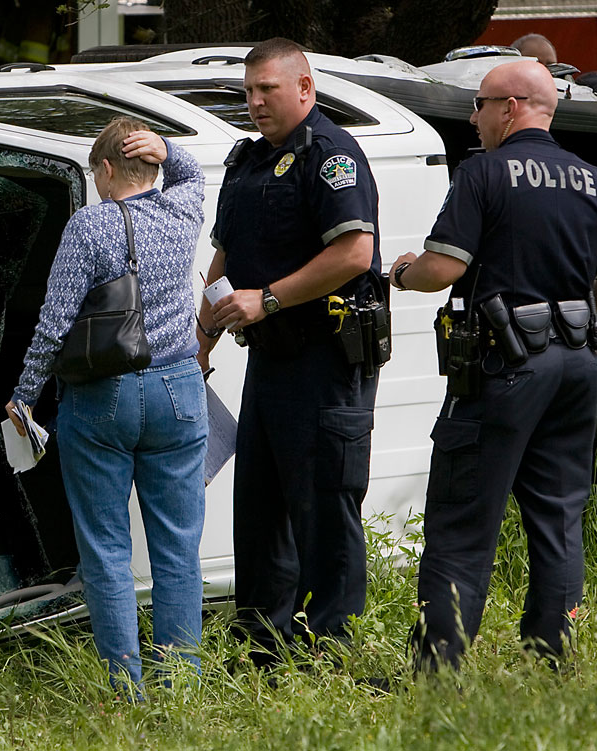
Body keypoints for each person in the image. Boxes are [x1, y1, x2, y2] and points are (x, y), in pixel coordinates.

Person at [390, 60, 597, 671]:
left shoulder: (484, 173)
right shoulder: (595, 180)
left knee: (461, 523)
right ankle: (551, 659)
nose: (473, 118)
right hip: (577, 366)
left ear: (511, 106)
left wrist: (402, 271)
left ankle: (436, 671)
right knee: (558, 519)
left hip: (503, 372)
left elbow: (444, 267)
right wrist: (568, 318)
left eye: (478, 105)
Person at [196, 37, 384, 667]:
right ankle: (261, 648)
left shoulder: (330, 155)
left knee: (325, 510)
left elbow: (355, 252)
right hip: (269, 362)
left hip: (325, 362)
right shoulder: (248, 162)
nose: (253, 103)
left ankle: (332, 650)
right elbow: (226, 261)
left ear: (305, 88)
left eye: (266, 90)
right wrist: (201, 341)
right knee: (260, 508)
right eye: (248, 92)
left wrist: (269, 300)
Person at [5, 117, 207, 689]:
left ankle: (126, 690)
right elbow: (193, 174)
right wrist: (167, 150)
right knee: (177, 549)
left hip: (103, 399)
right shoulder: (184, 212)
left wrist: (23, 397)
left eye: (96, 172)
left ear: (108, 169)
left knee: (106, 547)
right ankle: (181, 684)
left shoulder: (89, 226)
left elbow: (53, 325)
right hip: (180, 391)